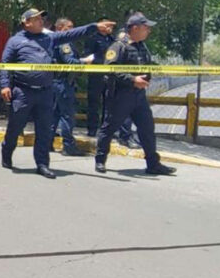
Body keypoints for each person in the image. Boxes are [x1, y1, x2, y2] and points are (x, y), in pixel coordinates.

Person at [0, 9, 115, 179]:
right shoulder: (15, 41)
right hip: (23, 91)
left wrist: (94, 27)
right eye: (37, 19)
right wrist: (4, 85)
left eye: (41, 19)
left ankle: (42, 164)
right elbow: (4, 64)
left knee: (44, 130)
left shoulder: (49, 38)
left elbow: (72, 34)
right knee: (15, 127)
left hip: (46, 92)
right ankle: (7, 150)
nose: (41, 21)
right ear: (26, 22)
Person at [94, 12, 177, 175]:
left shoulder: (142, 47)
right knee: (109, 127)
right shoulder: (118, 46)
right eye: (146, 27)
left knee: (147, 128)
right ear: (135, 28)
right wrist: (132, 79)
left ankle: (153, 164)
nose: (148, 31)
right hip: (120, 96)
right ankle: (100, 160)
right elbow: (111, 70)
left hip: (139, 96)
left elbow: (147, 66)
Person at [83, 18, 136, 144]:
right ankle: (92, 128)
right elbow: (88, 55)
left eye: (111, 27)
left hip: (109, 76)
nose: (109, 28)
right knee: (94, 103)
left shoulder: (113, 40)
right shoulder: (93, 38)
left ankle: (105, 130)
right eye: (107, 25)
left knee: (109, 104)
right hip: (96, 75)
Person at [51, 18, 93, 157]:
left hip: (57, 83)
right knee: (67, 116)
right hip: (63, 83)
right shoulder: (64, 43)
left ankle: (46, 143)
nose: (73, 30)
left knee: (54, 115)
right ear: (61, 28)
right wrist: (85, 61)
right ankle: (68, 146)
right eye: (70, 27)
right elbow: (69, 61)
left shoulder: (57, 41)